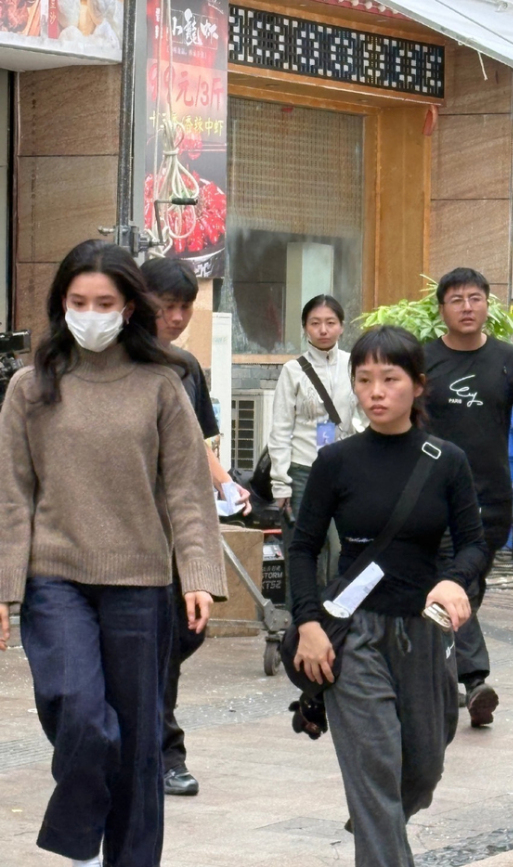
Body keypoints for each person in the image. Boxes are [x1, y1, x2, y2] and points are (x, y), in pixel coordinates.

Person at [0, 240, 227, 867]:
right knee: (80, 714)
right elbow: (12, 493)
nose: (90, 313)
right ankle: (78, 841)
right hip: (55, 578)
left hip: (141, 583)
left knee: (139, 747)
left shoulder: (161, 384)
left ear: (129, 307)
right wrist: (4, 585)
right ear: (60, 304)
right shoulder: (30, 386)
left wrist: (200, 575)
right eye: (78, 302)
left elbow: (186, 489)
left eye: (105, 302)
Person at [290, 325, 489, 867]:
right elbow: (302, 548)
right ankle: (378, 826)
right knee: (375, 765)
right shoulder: (336, 462)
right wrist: (308, 623)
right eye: (364, 379)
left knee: (423, 767)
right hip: (354, 634)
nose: (376, 391)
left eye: (390, 378)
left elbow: (474, 543)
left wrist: (455, 579)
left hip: (422, 632)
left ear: (418, 385)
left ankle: (375, 815)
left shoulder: (446, 460)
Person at [423, 267, 513, 726]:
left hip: (491, 499)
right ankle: (475, 678)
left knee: (468, 588)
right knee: (452, 578)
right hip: (432, 494)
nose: (466, 307)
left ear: (487, 306)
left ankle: (444, 675)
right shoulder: (422, 360)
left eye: (475, 298)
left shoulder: (510, 361)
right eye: (456, 299)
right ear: (441, 308)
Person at [142, 256, 249, 798]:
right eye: (168, 307)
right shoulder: (117, 367)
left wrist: (226, 483)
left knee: (182, 633)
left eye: (186, 307)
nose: (178, 317)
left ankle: (151, 743)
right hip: (126, 531)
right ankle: (162, 753)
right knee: (153, 645)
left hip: (178, 529)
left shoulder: (185, 368)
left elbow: (199, 442)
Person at [268, 294, 362, 598]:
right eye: (315, 323)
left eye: (330, 322)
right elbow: (281, 429)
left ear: (342, 327)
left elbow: (366, 416)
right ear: (305, 328)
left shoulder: (354, 365)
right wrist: (281, 483)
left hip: (347, 470)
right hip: (302, 471)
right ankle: (302, 625)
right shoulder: (293, 371)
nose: (323, 329)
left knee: (345, 548)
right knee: (304, 552)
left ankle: (338, 623)